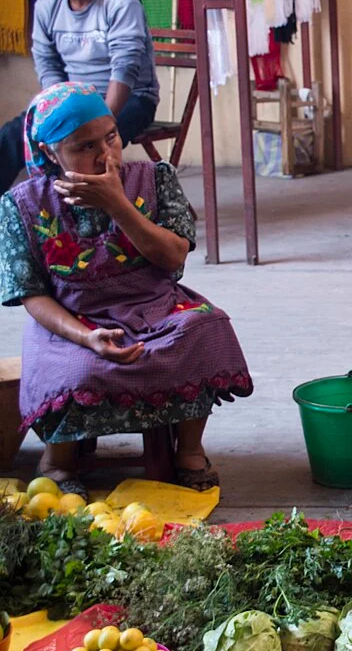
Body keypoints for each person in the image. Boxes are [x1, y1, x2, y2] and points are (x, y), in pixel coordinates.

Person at [0, 83, 253, 495]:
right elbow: (32, 295)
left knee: (206, 329)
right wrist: (86, 337)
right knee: (75, 368)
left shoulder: (155, 179)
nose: (106, 155)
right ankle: (58, 461)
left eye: (111, 137)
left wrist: (117, 204)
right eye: (86, 146)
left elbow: (173, 257)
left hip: (155, 310)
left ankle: (189, 451)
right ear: (50, 152)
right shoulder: (21, 206)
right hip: (72, 321)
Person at [0, 0, 159, 191]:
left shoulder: (121, 3)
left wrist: (96, 120)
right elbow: (47, 63)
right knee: (12, 136)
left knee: (81, 145)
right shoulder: (46, 7)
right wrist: (61, 108)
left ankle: (94, 207)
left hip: (131, 98)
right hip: (72, 99)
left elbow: (125, 67)